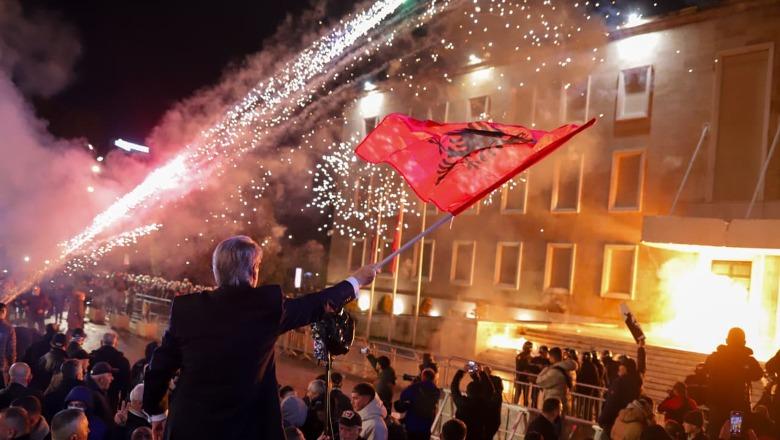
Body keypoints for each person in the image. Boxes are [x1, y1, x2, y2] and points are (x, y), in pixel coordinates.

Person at [142, 236, 377, 440]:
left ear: (217, 272)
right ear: (253, 270)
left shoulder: (187, 309)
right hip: (248, 429)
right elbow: (314, 305)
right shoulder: (268, 305)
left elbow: (159, 366)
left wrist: (157, 412)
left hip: (190, 427)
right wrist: (357, 280)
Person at [703, 327, 763, 439]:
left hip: (717, 406)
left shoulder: (714, 358)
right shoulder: (748, 360)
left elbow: (705, 370)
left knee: (714, 434)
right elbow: (758, 374)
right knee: (735, 435)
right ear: (744, 342)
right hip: (737, 408)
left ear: (726, 340)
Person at [599, 357, 643, 436]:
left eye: (621, 365)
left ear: (626, 368)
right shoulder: (636, 383)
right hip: (627, 423)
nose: (619, 368)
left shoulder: (619, 383)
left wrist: (602, 419)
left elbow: (611, 403)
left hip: (613, 421)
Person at [88, 332, 130, 413]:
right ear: (115, 343)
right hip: (112, 399)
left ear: (101, 342)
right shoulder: (123, 361)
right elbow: (126, 384)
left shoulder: (92, 357)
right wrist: (122, 403)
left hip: (92, 397)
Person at [397, 368, 439, 440]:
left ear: (423, 376)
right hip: (426, 426)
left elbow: (403, 396)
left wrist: (412, 384)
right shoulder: (436, 391)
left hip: (412, 423)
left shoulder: (416, 387)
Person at [536, 347, 576, 414]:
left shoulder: (555, 372)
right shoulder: (569, 369)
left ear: (552, 357)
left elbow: (539, 381)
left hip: (553, 405)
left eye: (550, 357)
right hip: (563, 402)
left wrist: (546, 369)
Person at [450, 367, 486, 440]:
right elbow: (488, 390)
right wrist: (478, 374)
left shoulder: (462, 403)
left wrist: (461, 372)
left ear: (467, 392)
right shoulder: (484, 405)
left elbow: (454, 387)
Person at [84, 363, 115, 427]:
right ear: (101, 379)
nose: (112, 378)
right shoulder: (93, 396)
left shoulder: (100, 392)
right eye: (109, 375)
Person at [0, 305, 16, 389]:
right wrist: (12, 364)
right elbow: (11, 349)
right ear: (3, 312)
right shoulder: (8, 328)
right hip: (2, 365)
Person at [514, 341, 534, 406]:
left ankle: (525, 408)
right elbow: (518, 367)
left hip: (526, 379)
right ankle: (514, 406)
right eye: (528, 347)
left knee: (526, 396)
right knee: (517, 395)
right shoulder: (519, 356)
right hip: (519, 378)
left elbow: (531, 368)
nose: (529, 349)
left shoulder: (530, 358)